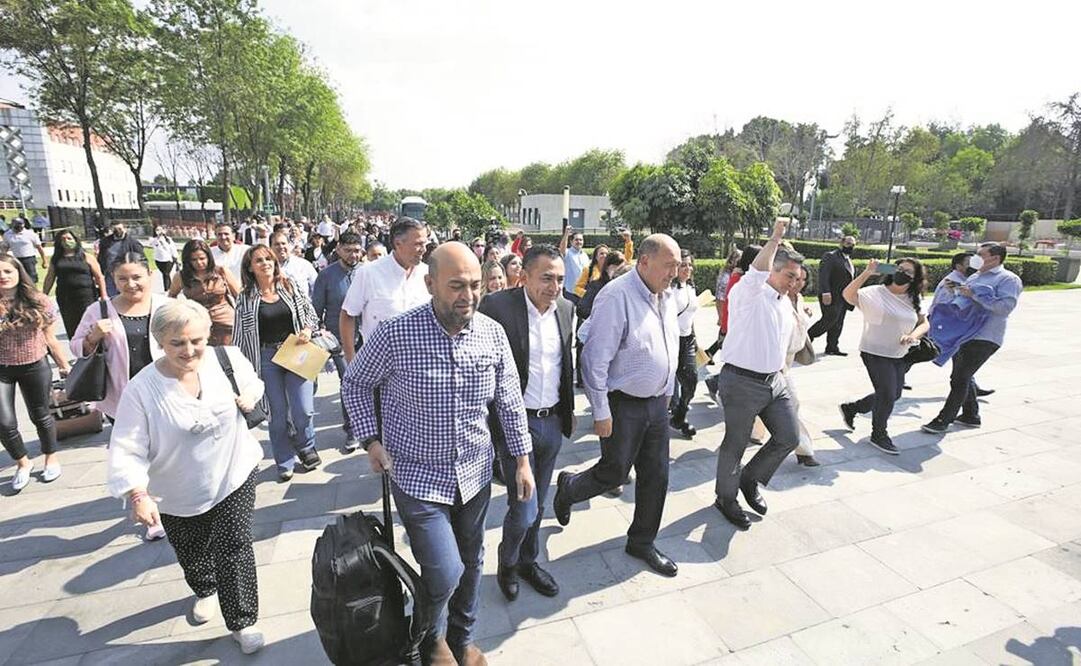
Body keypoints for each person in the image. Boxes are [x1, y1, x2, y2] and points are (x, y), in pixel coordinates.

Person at [342, 242, 535, 666]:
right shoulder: (396, 334)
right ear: (430, 284)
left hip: (475, 474)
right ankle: (427, 638)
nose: (467, 295)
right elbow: (354, 384)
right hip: (416, 476)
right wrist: (370, 439)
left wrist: (521, 460)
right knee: (446, 570)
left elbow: (508, 401)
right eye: (455, 286)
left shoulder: (491, 333)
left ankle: (461, 639)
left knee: (471, 562)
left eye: (474, 285)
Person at [106, 299, 266, 655]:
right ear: (160, 342)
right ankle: (205, 587)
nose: (189, 350)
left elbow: (253, 384)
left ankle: (243, 620)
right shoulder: (142, 389)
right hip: (175, 490)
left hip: (233, 472)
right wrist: (137, 493)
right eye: (177, 342)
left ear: (208, 335)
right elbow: (127, 446)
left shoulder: (227, 359)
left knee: (234, 545)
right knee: (192, 550)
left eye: (196, 340)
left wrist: (248, 397)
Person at [553, 234, 682, 578]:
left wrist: (667, 392)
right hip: (622, 403)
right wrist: (600, 410)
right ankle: (569, 488)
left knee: (657, 476)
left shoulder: (666, 296)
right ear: (644, 261)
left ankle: (642, 542)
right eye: (669, 265)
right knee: (614, 472)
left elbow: (670, 346)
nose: (676, 271)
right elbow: (595, 359)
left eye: (677, 264)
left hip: (656, 404)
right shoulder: (616, 296)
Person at [479, 245, 573, 602]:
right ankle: (508, 563)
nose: (554, 286)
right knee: (525, 507)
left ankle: (528, 562)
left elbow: (566, 364)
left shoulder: (566, 309)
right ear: (525, 276)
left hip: (552, 423)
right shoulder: (498, 307)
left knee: (540, 502)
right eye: (546, 278)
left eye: (560, 279)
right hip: (514, 424)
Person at [711, 220, 804, 531]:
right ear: (772, 271)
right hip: (741, 381)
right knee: (735, 444)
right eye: (790, 275)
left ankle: (750, 479)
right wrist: (776, 238)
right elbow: (757, 271)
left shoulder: (782, 301)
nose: (795, 282)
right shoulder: (749, 293)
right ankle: (725, 498)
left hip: (774, 381)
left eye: (798, 277)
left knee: (789, 437)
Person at [234, 245, 321, 481]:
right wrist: (240, 369)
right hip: (265, 358)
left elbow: (311, 314)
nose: (265, 264)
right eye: (259, 261)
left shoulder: (288, 286)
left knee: (303, 409)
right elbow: (239, 335)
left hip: (295, 352)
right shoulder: (245, 298)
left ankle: (306, 445)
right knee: (277, 414)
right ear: (250, 268)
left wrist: (307, 329)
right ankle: (284, 459)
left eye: (268, 259)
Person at [922, 243, 1021, 434]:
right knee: (962, 375)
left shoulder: (1008, 279)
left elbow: (1005, 308)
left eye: (980, 254)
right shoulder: (975, 276)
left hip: (985, 336)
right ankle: (971, 415)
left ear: (995, 258)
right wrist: (955, 292)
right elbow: (966, 299)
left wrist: (975, 295)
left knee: (961, 377)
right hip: (963, 333)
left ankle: (944, 419)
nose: (975, 258)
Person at [837, 258, 929, 454]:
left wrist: (912, 335)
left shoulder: (914, 298)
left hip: (900, 353)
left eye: (908, 272)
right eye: (899, 268)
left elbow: (924, 323)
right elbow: (847, 295)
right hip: (875, 351)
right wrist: (867, 273)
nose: (902, 273)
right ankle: (879, 434)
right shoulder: (875, 293)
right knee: (887, 393)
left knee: (894, 394)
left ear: (914, 278)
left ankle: (853, 408)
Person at [71, 252, 171, 422]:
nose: (131, 284)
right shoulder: (98, 310)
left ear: (150, 275)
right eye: (123, 279)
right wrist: (93, 337)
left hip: (166, 391)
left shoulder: (168, 306)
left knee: (168, 446)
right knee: (131, 447)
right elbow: (75, 347)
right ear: (113, 279)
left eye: (137, 277)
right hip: (121, 396)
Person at [0, 254, 71, 491]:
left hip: (34, 365)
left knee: (40, 415)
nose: (3, 276)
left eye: (8, 271)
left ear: (19, 272)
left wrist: (64, 366)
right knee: (4, 422)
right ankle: (22, 462)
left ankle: (50, 457)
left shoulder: (39, 301)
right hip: (2, 370)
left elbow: (50, 337)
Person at [339, 218, 430, 363]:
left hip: (418, 368)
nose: (424, 249)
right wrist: (351, 358)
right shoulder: (369, 273)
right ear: (398, 243)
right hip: (378, 367)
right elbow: (348, 314)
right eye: (418, 244)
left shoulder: (429, 274)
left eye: (425, 244)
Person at [311, 231, 364, 451]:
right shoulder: (326, 276)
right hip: (339, 339)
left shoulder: (367, 272)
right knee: (349, 382)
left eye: (357, 250)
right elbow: (316, 310)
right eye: (348, 250)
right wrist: (319, 331)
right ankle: (352, 430)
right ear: (339, 249)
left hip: (367, 336)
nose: (353, 255)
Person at [169, 240, 240, 346]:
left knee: (229, 356)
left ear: (209, 257)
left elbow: (239, 297)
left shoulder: (221, 272)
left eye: (202, 258)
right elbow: (171, 298)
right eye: (194, 259)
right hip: (198, 323)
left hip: (226, 322)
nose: (199, 263)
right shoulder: (181, 277)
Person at [42, 230, 107, 338]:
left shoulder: (87, 257)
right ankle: (78, 348)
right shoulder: (56, 259)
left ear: (75, 240)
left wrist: (104, 295)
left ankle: (94, 348)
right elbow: (50, 278)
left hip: (86, 296)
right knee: (72, 324)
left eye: (69, 238)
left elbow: (99, 277)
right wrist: (44, 295)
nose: (66, 241)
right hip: (65, 297)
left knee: (89, 323)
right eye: (63, 239)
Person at [668, 250, 700, 438]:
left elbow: (691, 316)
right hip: (671, 339)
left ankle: (680, 413)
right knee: (670, 380)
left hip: (687, 339)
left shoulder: (691, 287)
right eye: (683, 265)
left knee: (692, 380)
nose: (687, 268)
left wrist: (695, 339)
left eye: (689, 265)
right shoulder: (669, 289)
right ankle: (677, 416)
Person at [808, 236, 856, 356]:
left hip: (844, 297)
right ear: (841, 243)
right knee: (829, 320)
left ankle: (832, 347)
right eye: (848, 243)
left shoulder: (849, 260)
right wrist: (825, 292)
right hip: (831, 295)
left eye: (853, 245)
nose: (850, 247)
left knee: (838, 322)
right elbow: (824, 275)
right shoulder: (831, 256)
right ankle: (808, 337)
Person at [705, 247, 742, 359]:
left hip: (729, 312)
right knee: (726, 337)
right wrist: (721, 316)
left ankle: (709, 353)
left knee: (726, 337)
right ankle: (710, 354)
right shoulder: (726, 276)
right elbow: (720, 298)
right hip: (727, 312)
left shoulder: (731, 273)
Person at [572, 232, 635, 297]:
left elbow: (625, 260)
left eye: (606, 254)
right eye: (601, 253)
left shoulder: (612, 268)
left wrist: (628, 241)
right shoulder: (588, 270)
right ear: (596, 257)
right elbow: (577, 288)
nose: (604, 256)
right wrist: (589, 294)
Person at [96, 221, 144, 297]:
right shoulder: (105, 242)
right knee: (112, 297)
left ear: (125, 229)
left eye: (119, 228)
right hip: (110, 275)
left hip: (126, 274)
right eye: (115, 229)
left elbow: (142, 258)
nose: (118, 231)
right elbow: (101, 258)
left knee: (126, 295)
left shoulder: (133, 242)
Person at [269, 232, 317, 297]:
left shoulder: (304, 265)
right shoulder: (267, 268)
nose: (281, 247)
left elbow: (316, 287)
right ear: (270, 248)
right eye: (277, 244)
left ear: (289, 245)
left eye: (283, 243)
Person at [3, 217, 48, 284]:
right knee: (19, 279)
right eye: (16, 226)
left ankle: (33, 292)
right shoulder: (7, 234)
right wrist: (3, 259)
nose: (18, 228)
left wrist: (45, 261)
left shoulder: (30, 234)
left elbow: (39, 247)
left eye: (19, 225)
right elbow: (5, 247)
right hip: (16, 259)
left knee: (31, 279)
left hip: (29, 259)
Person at [558, 227, 589, 304]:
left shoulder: (585, 255)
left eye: (581, 240)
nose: (579, 242)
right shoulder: (567, 253)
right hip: (570, 291)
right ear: (571, 242)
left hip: (582, 291)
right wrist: (566, 234)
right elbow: (561, 249)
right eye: (576, 240)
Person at [150, 227, 179, 292]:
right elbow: (152, 244)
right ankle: (171, 288)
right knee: (165, 274)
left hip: (168, 259)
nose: (158, 231)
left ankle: (167, 290)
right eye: (157, 230)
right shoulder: (154, 239)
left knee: (166, 274)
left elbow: (173, 248)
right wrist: (158, 237)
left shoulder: (168, 239)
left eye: (160, 230)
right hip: (159, 260)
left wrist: (176, 258)